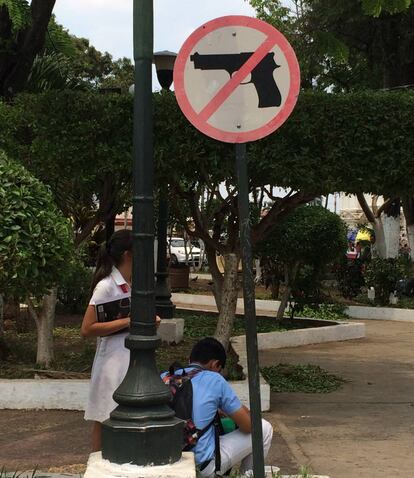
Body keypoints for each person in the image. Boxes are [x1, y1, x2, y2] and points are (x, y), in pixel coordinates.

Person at [81, 229, 160, 451]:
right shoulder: (106, 285)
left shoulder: (129, 283)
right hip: (111, 362)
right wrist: (128, 322)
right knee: (104, 417)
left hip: (128, 359)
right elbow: (87, 329)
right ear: (128, 254)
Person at [163, 337, 273, 477]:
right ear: (215, 364)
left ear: (190, 359)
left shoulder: (164, 377)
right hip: (201, 467)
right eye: (219, 370)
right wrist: (228, 408)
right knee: (263, 429)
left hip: (164, 461)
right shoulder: (214, 379)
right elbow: (249, 426)